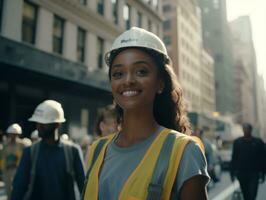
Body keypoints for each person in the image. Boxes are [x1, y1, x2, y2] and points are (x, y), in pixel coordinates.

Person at [82, 27, 209, 200]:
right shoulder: (96, 150)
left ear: (161, 84)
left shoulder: (185, 151)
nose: (128, 81)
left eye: (141, 71)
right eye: (118, 73)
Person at [11, 100, 85, 200]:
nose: (38, 127)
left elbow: (84, 187)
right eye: (38, 122)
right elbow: (19, 188)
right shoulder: (30, 152)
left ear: (57, 124)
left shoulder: (72, 151)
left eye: (44, 123)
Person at [230, 123, 266, 200]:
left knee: (252, 194)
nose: (246, 131)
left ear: (250, 130)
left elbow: (263, 158)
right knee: (246, 194)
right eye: (244, 129)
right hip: (242, 173)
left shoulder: (258, 142)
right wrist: (232, 173)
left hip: (254, 173)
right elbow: (234, 158)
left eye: (247, 129)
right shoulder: (237, 142)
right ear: (243, 130)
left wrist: (263, 173)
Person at [1, 123, 26, 199]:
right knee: (8, 190)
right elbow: (2, 158)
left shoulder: (22, 145)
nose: (13, 136)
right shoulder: (5, 145)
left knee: (17, 189)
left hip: (18, 170)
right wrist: (3, 169)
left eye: (15, 134)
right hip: (7, 170)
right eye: (11, 134)